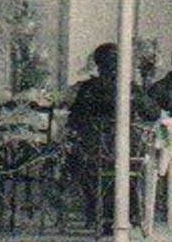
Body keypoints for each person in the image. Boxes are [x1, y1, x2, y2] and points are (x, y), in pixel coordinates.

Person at [65, 43, 158, 232]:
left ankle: (95, 211)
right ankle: (125, 213)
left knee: (76, 159)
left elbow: (73, 120)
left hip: (94, 154)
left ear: (98, 65)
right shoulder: (129, 88)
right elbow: (153, 113)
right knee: (127, 163)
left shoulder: (88, 89)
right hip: (126, 154)